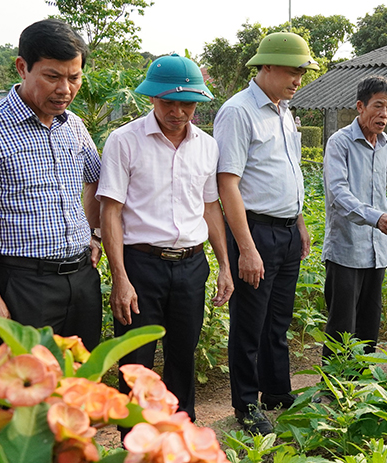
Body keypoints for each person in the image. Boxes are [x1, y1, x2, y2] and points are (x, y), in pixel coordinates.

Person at [97, 54, 234, 424]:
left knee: (182, 355)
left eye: (186, 103)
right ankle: (136, 440)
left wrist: (223, 265)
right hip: (141, 266)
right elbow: (110, 211)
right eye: (168, 102)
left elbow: (210, 207)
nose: (178, 111)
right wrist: (120, 278)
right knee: (136, 360)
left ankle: (180, 433)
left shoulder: (207, 146)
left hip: (191, 265)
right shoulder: (124, 141)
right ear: (151, 99)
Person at [0, 19, 102, 350]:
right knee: (26, 388)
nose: (65, 89)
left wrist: (93, 233)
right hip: (24, 284)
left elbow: (96, 181)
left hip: (82, 278)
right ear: (22, 67)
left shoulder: (73, 126)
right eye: (52, 77)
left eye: (74, 77)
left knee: (82, 386)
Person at [213, 32, 318, 435]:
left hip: (287, 230)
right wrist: (246, 248)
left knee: (278, 320)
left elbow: (288, 171)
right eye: (293, 71)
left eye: (302, 73)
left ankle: (277, 391)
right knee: (249, 323)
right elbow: (228, 183)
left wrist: (301, 224)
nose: (298, 79)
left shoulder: (284, 110)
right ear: (268, 66)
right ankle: (245, 402)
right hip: (255, 231)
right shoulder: (238, 112)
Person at [321, 76, 387, 359]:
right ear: (361, 106)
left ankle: (359, 390)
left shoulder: (384, 144)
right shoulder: (340, 142)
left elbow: (380, 191)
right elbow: (338, 194)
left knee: (369, 324)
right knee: (342, 325)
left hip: (376, 251)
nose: (384, 114)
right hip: (346, 248)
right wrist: (376, 218)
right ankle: (332, 388)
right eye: (378, 106)